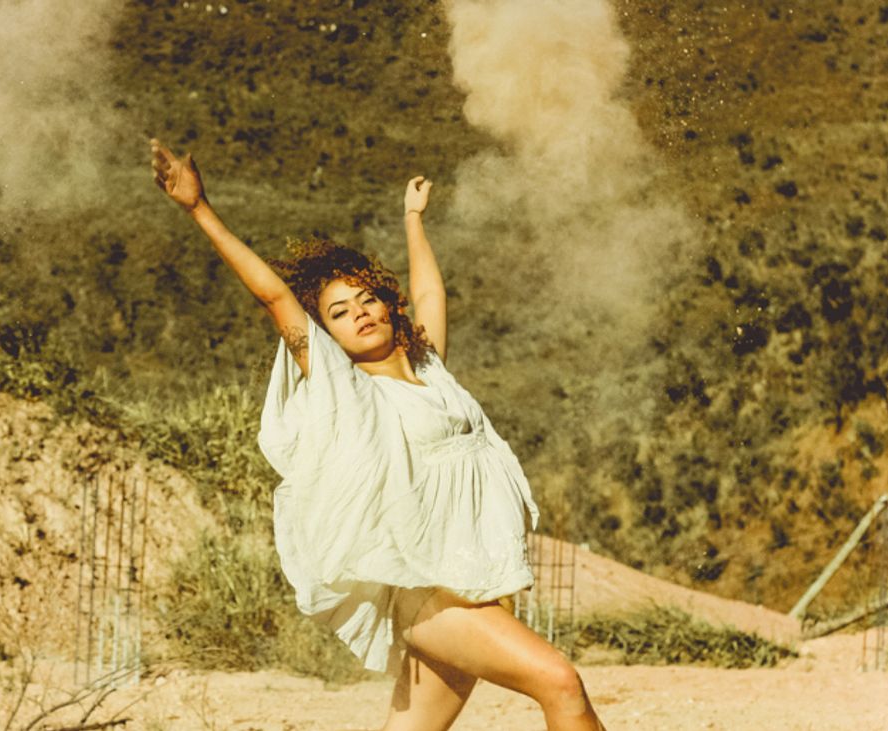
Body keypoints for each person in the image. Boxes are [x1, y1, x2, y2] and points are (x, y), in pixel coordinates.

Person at [151, 138, 605, 731]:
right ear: (328, 334)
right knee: (560, 683)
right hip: (430, 599)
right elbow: (273, 296)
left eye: (367, 299)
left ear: (387, 306)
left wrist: (413, 220)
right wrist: (198, 209)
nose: (360, 312)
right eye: (339, 311)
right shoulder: (347, 391)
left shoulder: (431, 368)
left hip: (475, 585)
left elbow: (430, 294)